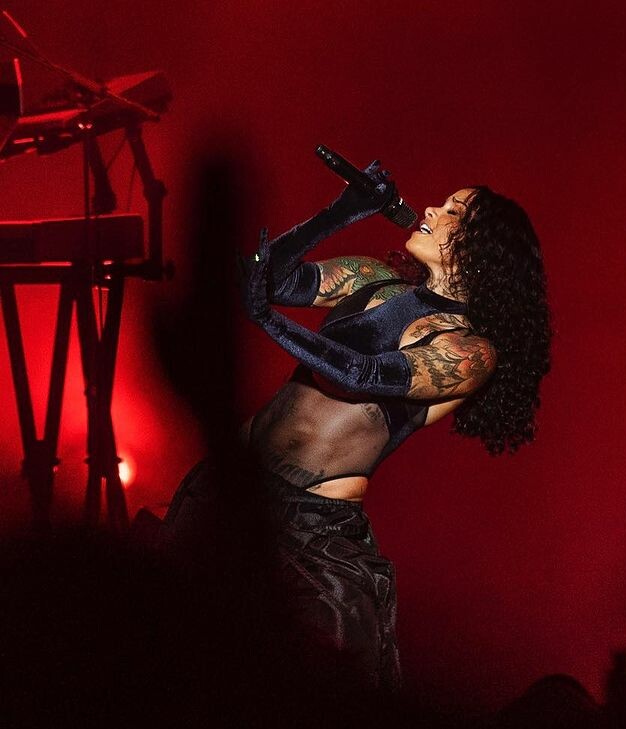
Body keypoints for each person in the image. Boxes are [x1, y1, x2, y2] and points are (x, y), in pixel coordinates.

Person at [164, 174, 551, 691]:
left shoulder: (470, 351)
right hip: (230, 485)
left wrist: (270, 323)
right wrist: (345, 209)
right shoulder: (372, 277)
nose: (431, 209)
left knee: (281, 691)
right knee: (172, 657)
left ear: (482, 253)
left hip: (310, 532)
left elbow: (358, 375)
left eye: (454, 212)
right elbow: (271, 280)